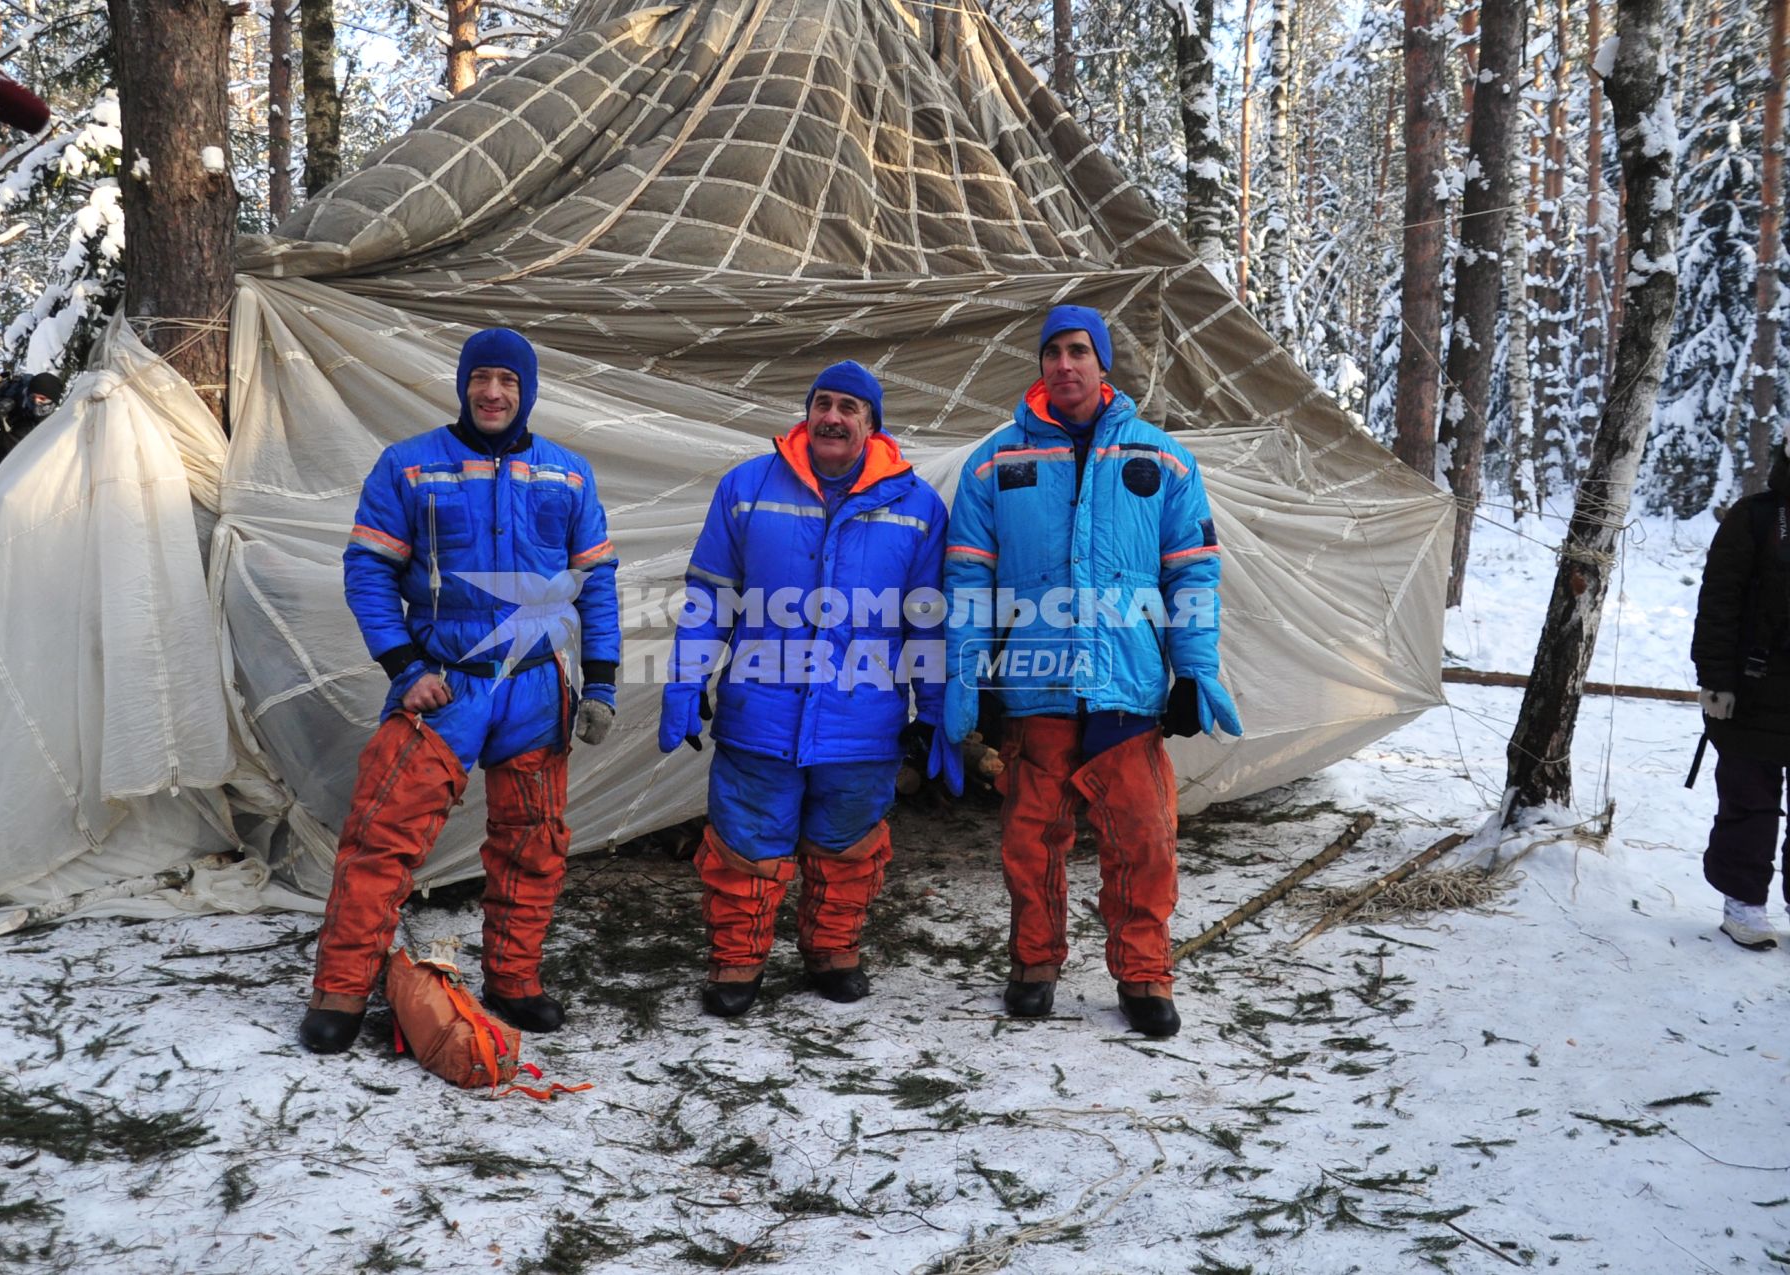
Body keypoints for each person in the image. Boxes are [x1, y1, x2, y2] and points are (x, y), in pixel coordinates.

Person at [298, 327, 621, 1054]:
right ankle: (342, 991)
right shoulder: (410, 466)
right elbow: (368, 571)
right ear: (463, 384)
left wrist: (600, 679)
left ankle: (515, 979)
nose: (494, 392)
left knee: (533, 845)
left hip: (537, 691)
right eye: (482, 378)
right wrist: (407, 669)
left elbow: (596, 585)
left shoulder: (568, 475)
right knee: (382, 837)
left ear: (527, 390)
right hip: (448, 688)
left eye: (509, 380)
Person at [942, 305, 1241, 1039]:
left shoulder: (1163, 459)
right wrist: (965, 678)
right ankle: (1034, 963)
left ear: (1104, 365)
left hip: (1127, 685)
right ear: (1040, 367)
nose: (1066, 365)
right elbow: (967, 582)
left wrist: (1194, 670)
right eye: (1053, 352)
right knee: (1031, 838)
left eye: (1080, 351)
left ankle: (1143, 973)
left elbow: (1192, 573)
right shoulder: (994, 463)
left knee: (1143, 838)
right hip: (1034, 685)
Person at [660, 360, 956, 1018]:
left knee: (847, 844)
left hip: (864, 723)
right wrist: (685, 679)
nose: (832, 416)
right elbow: (711, 599)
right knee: (745, 843)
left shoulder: (917, 508)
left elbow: (929, 620)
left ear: (873, 425)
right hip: (759, 714)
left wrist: (936, 712)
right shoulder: (748, 487)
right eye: (823, 402)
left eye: (850, 407)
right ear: (806, 412)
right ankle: (737, 960)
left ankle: (833, 949)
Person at [1692, 439, 1790, 952]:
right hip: (1752, 690)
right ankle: (1743, 906)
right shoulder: (1754, 519)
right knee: (1749, 803)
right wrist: (1715, 680)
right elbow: (1719, 603)